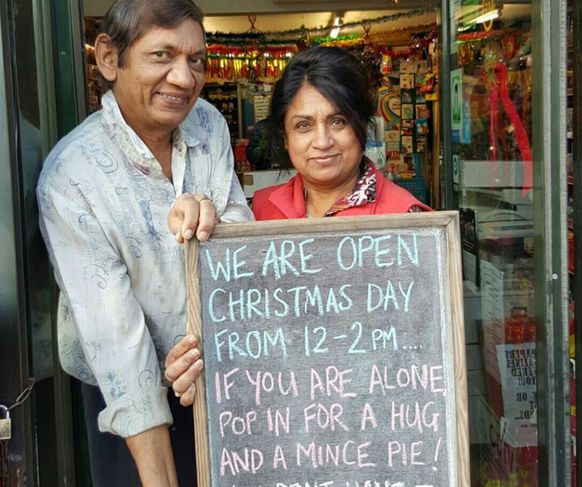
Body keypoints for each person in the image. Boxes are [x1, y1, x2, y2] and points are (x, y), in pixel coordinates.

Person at [37, 1, 252, 486]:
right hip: (127, 397)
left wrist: (216, 217)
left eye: (196, 60)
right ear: (110, 58)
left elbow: (239, 235)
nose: (183, 78)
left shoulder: (209, 125)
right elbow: (119, 349)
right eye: (162, 55)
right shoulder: (72, 178)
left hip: (219, 378)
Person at [163, 47, 428, 402]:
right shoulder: (258, 213)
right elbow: (238, 329)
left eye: (338, 121)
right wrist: (196, 361)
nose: (322, 141)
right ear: (285, 139)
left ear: (361, 125)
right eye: (303, 125)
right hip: (283, 421)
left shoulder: (408, 222)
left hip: (375, 417)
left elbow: (422, 351)